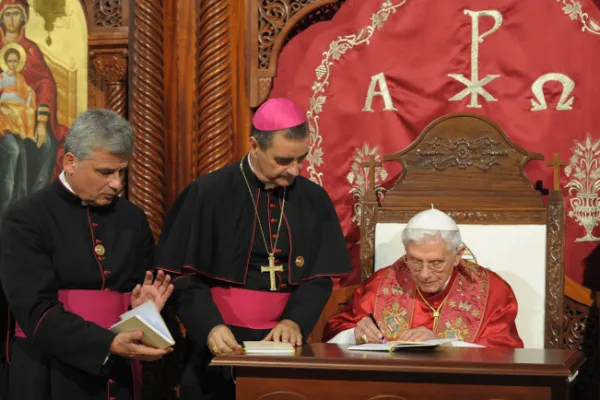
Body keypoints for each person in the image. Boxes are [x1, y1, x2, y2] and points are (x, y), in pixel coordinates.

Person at [156, 97, 353, 399]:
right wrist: (209, 327)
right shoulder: (208, 194)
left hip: (284, 347)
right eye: (283, 160)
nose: (295, 171)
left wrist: (294, 320)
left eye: (301, 159)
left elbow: (319, 277)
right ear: (254, 145)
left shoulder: (314, 200)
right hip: (219, 345)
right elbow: (182, 275)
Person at [0, 109, 174, 400]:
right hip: (49, 369)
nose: (117, 183)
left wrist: (143, 312)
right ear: (70, 162)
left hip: (120, 367)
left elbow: (140, 291)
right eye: (105, 172)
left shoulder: (132, 218)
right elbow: (35, 311)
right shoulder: (26, 218)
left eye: (122, 172)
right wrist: (109, 342)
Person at [324, 208, 524, 348]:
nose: (425, 274)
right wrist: (354, 334)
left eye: (436, 263)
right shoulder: (380, 284)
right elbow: (333, 332)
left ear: (457, 256)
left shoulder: (493, 292)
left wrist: (445, 345)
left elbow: (505, 353)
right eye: (415, 261)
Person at [0, 44, 36, 213]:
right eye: (10, 61)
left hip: (18, 113)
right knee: (13, 152)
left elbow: (27, 94)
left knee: (21, 156)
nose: (13, 64)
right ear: (6, 62)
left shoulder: (20, 79)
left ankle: (18, 200)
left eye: (15, 61)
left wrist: (29, 97)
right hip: (5, 114)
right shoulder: (2, 78)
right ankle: (6, 202)